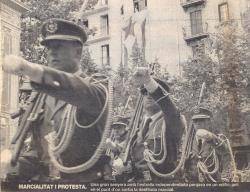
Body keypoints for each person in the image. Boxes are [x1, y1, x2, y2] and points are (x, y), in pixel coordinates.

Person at [3, 18, 112, 182]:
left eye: (58, 47)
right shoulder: (40, 97)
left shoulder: (97, 88)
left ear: (78, 52)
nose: (52, 52)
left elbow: (74, 88)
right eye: (48, 48)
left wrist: (32, 70)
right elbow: (39, 154)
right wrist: (12, 164)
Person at [129, 67, 185, 182]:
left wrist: (149, 82)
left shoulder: (171, 120)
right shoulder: (138, 126)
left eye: (152, 93)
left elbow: (168, 106)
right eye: (145, 93)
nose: (149, 95)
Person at [184, 107, 234, 182]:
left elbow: (225, 151)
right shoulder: (188, 143)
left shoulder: (218, 139)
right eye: (195, 121)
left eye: (202, 120)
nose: (198, 123)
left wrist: (210, 137)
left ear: (209, 122)